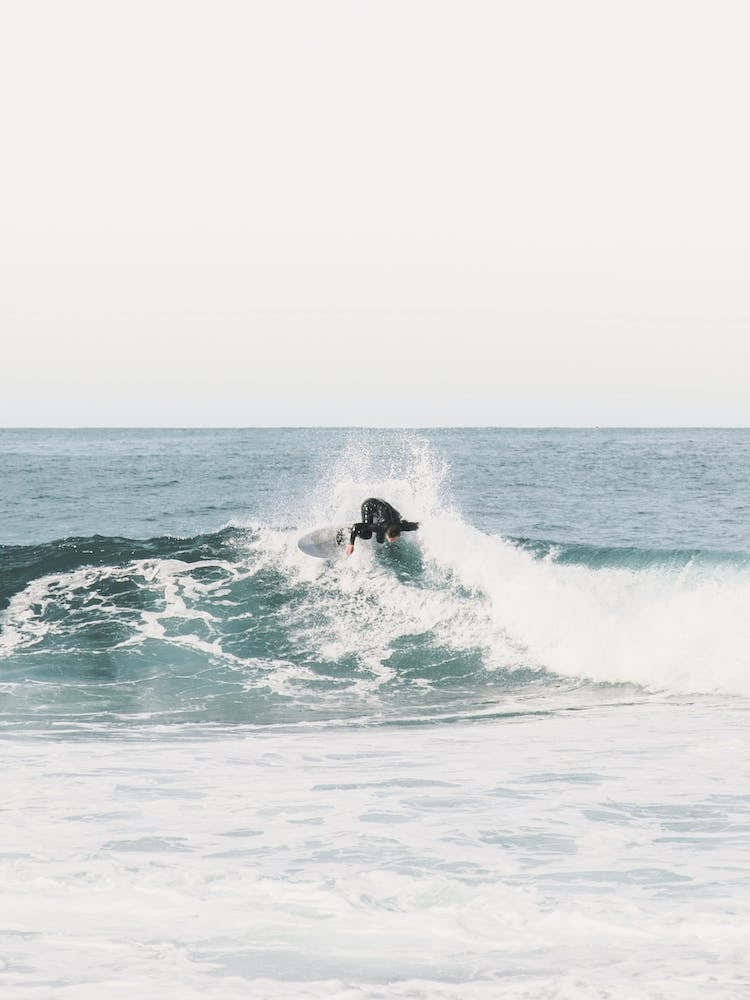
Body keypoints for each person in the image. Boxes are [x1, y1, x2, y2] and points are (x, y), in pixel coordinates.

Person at [345, 498, 419, 555]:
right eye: (392, 539)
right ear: (386, 533)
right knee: (367, 535)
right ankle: (345, 530)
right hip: (369, 504)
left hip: (384, 507)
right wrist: (351, 544)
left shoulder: (402, 526)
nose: (393, 541)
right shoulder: (380, 527)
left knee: (380, 539)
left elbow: (417, 525)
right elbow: (356, 526)